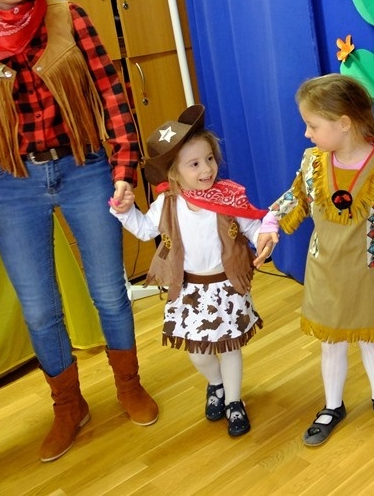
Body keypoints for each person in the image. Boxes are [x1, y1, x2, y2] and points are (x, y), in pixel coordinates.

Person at [0, 0, 157, 463]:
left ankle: (128, 384)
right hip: (10, 181)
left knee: (108, 291)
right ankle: (68, 405)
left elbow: (112, 94)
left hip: (82, 167)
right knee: (39, 308)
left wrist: (124, 169)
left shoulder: (67, 16)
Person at [255, 74, 374, 447]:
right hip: (326, 271)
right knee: (331, 342)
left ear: (344, 123)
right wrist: (270, 223)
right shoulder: (312, 164)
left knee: (370, 337)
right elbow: (296, 197)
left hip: (369, 272)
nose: (306, 133)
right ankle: (333, 405)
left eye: (313, 125)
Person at [109, 105, 264, 436]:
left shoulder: (228, 197)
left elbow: (252, 226)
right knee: (199, 353)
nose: (206, 168)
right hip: (189, 292)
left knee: (230, 348)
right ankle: (215, 383)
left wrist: (265, 237)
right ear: (174, 173)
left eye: (209, 159)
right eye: (194, 164)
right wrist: (125, 212)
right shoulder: (167, 203)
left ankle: (234, 401)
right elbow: (144, 230)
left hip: (226, 288)